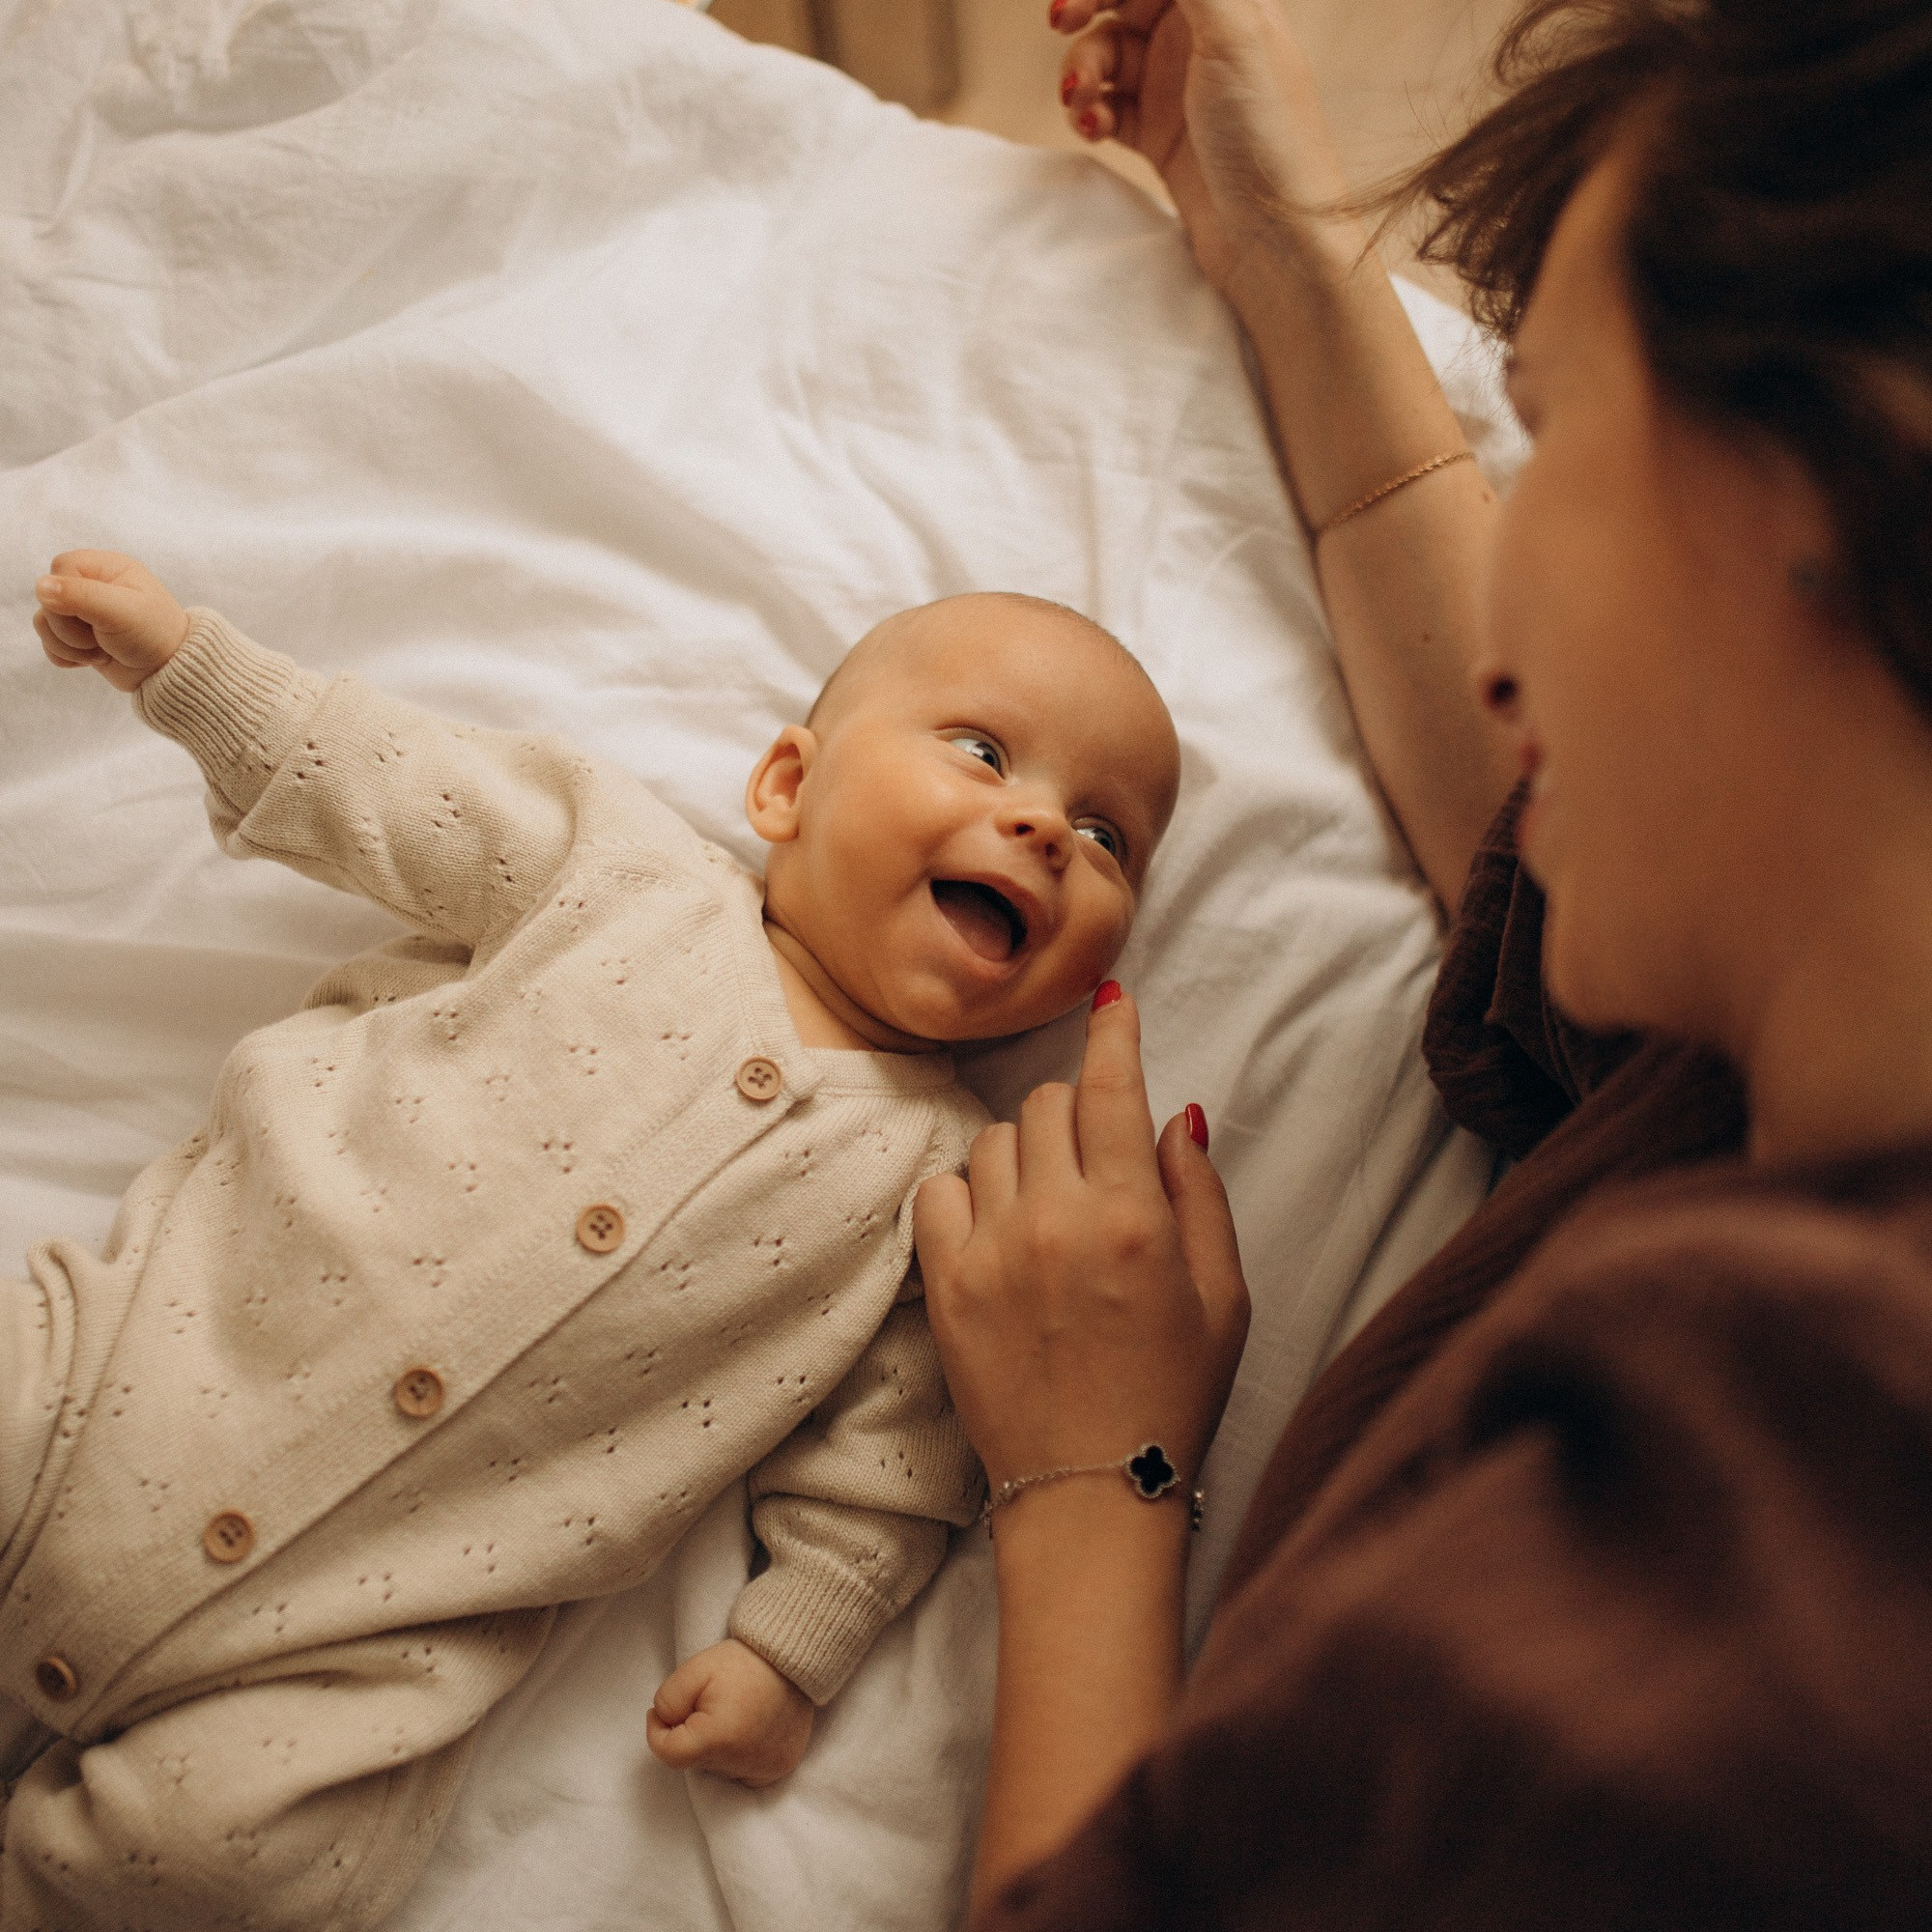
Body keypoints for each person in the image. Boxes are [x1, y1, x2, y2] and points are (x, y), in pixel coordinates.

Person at [913, 0, 1932, 1924]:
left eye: (1536, 429)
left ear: (1812, 477)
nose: (1503, 599)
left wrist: (1088, 1486)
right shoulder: (1785, 1029)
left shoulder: (1739, 1602)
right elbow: (1562, 814)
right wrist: (1280, 246)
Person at [3, 556, 1180, 1931]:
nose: (1043, 827)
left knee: (227, 1872)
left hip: (348, 1647)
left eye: (1108, 839)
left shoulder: (944, 1185)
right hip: (105, 1387)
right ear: (788, 788)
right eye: (984, 755)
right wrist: (191, 670)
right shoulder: (614, 872)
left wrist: (790, 1651)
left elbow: (900, 1463)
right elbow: (391, 788)